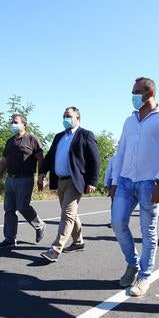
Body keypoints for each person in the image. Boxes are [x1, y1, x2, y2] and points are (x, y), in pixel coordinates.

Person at [110, 76, 159, 297]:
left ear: (149, 93)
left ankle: (144, 277)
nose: (132, 96)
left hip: (150, 183)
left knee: (148, 232)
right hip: (125, 180)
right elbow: (121, 151)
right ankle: (132, 263)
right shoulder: (129, 121)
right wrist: (113, 180)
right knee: (117, 223)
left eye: (136, 92)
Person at [38, 106, 100, 262]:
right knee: (71, 214)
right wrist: (42, 173)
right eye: (64, 116)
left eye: (69, 116)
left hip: (74, 181)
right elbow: (50, 156)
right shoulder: (59, 137)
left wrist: (92, 181)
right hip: (60, 181)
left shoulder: (85, 135)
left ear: (77, 118)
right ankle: (78, 242)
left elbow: (94, 160)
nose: (65, 119)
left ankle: (55, 249)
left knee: (66, 215)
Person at [0, 114, 46, 248]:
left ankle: (39, 225)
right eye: (11, 122)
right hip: (10, 179)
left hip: (25, 179)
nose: (12, 124)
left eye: (15, 122)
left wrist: (41, 177)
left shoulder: (32, 139)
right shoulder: (10, 142)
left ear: (24, 125)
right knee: (9, 209)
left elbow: (41, 159)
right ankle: (10, 239)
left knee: (23, 207)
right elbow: (3, 161)